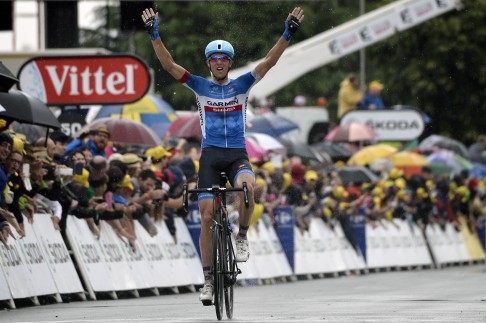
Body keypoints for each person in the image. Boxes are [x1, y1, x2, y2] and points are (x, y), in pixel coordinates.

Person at [141, 6, 304, 303]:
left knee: (247, 188)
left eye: (223, 59)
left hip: (237, 153)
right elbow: (169, 65)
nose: (219, 63)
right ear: (209, 63)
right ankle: (207, 280)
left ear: (229, 63)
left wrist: (287, 34)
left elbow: (269, 62)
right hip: (211, 156)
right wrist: (154, 35)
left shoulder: (242, 84)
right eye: (214, 59)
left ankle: (241, 236)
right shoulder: (199, 86)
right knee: (205, 217)